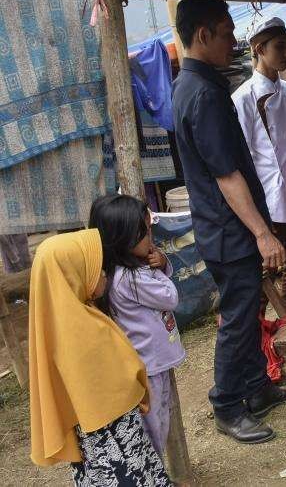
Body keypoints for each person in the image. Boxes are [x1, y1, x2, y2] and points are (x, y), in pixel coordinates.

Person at [172, 0, 286, 444]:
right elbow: (226, 175)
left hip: (224, 227)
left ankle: (256, 388)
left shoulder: (197, 85)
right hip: (230, 229)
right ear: (203, 34)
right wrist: (263, 233)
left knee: (249, 310)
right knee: (239, 318)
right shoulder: (204, 93)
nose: (233, 40)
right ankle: (227, 405)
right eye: (227, 32)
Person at [28, 229, 172, 486]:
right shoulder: (84, 330)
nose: (105, 273)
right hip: (113, 437)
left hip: (101, 437)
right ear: (72, 275)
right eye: (94, 267)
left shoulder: (65, 321)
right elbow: (122, 379)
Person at [88, 194, 185, 458]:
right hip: (149, 366)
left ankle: (155, 472)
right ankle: (153, 474)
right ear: (123, 239)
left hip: (149, 363)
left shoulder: (121, 272)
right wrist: (160, 267)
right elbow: (170, 297)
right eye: (144, 233)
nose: (150, 238)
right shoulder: (130, 277)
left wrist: (161, 265)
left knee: (158, 423)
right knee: (156, 428)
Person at [232, 17, 286, 315]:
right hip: (267, 197)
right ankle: (266, 333)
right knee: (269, 271)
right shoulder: (242, 99)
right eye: (279, 47)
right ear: (258, 49)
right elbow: (242, 158)